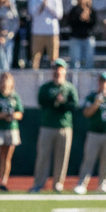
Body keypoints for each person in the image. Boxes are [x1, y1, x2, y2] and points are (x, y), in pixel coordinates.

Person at [74, 71, 106, 195]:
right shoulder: (92, 96)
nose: (103, 84)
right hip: (94, 132)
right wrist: (96, 103)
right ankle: (82, 184)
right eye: (101, 81)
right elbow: (86, 113)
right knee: (89, 160)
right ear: (98, 83)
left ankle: (103, 184)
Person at [31, 58, 78, 193]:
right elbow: (42, 102)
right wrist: (54, 101)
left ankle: (58, 183)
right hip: (47, 125)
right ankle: (38, 183)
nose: (57, 71)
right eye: (55, 68)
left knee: (62, 158)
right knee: (43, 156)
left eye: (60, 68)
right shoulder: (46, 88)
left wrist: (62, 103)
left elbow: (74, 105)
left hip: (64, 126)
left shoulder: (69, 88)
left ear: (64, 70)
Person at [0, 71, 23, 193]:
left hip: (11, 129)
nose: (3, 83)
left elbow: (20, 113)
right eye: (2, 80)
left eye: (6, 80)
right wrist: (3, 115)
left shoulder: (14, 96)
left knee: (6, 157)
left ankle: (3, 182)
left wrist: (12, 116)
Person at [28, 0, 64, 68]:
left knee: (53, 58)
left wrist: (47, 4)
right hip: (37, 31)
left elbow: (59, 15)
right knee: (35, 57)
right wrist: (41, 4)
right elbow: (32, 13)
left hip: (52, 32)